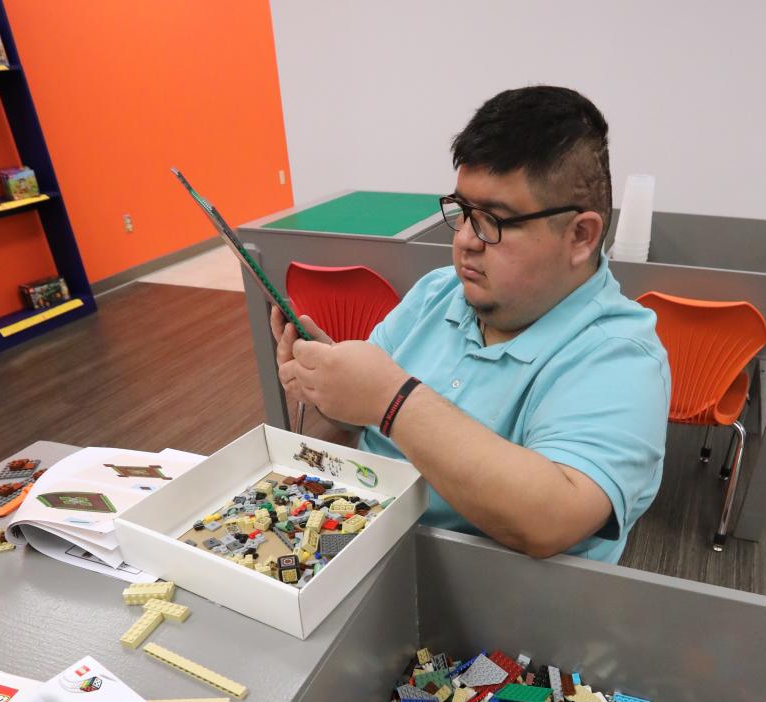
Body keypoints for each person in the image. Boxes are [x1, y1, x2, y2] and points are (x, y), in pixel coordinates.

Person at [272, 86, 669, 562]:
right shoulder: (437, 292)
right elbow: (354, 425)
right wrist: (329, 387)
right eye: (461, 212)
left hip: (496, 606)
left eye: (493, 220)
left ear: (580, 235)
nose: (464, 240)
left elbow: (552, 519)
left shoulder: (620, 355)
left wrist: (389, 400)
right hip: (371, 553)